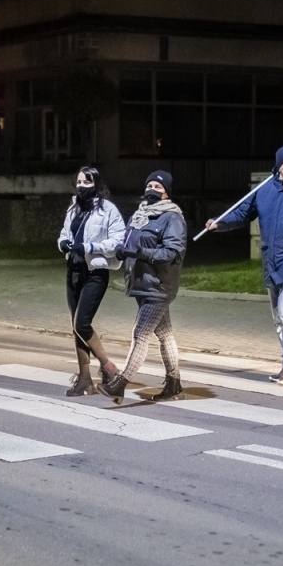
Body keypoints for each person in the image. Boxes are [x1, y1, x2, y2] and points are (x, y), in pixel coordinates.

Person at [204, 144, 283, 384]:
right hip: (272, 262)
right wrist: (220, 223)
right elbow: (241, 213)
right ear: (278, 166)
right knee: (278, 317)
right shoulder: (264, 190)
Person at [101, 171, 187, 403]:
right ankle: (174, 383)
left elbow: (171, 252)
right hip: (141, 282)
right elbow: (128, 241)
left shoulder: (173, 218)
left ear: (166, 192)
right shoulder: (140, 216)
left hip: (159, 284)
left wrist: (139, 253)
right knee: (165, 334)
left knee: (141, 333)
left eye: (158, 187)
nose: (152, 189)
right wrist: (122, 248)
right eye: (149, 184)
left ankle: (120, 383)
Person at [56, 165, 125, 396]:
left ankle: (109, 368)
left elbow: (118, 240)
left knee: (81, 323)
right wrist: (63, 243)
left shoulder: (108, 210)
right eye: (78, 182)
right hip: (73, 270)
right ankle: (84, 378)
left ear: (96, 184)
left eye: (86, 182)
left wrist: (90, 247)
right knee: (76, 327)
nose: (81, 186)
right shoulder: (73, 208)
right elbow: (65, 233)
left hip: (95, 272)